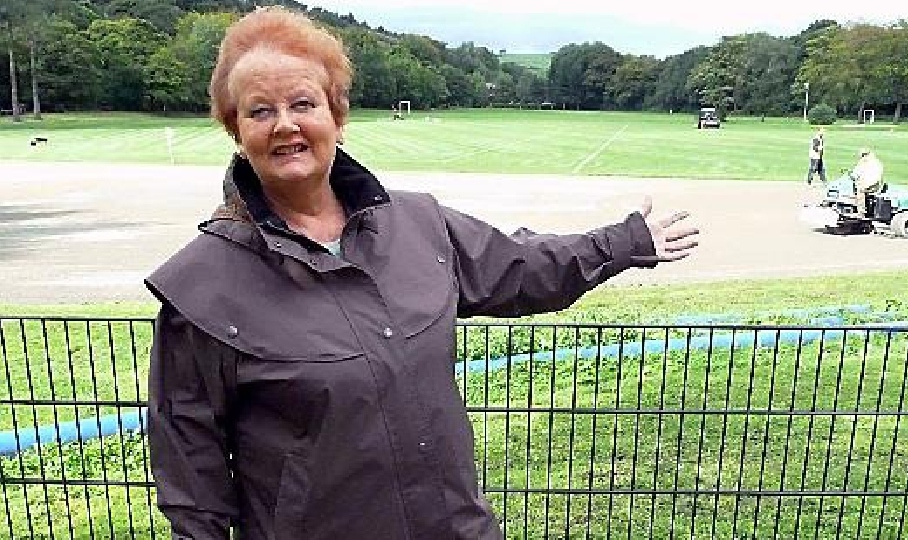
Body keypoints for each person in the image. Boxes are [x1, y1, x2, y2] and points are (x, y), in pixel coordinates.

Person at [145, 6, 699, 540]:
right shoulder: (205, 288)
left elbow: (522, 266)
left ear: (336, 116)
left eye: (303, 103)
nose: (285, 124)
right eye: (260, 111)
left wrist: (623, 242)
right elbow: (193, 480)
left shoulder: (418, 224)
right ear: (235, 130)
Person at [850, 147, 884, 218]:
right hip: (865, 183)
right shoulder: (863, 163)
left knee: (860, 190)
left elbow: (876, 178)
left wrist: (866, 185)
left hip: (873, 185)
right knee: (855, 186)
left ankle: (861, 212)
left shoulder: (875, 164)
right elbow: (855, 173)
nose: (862, 157)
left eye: (863, 155)